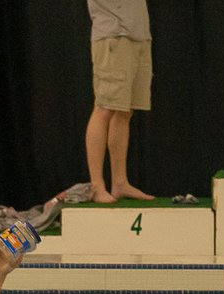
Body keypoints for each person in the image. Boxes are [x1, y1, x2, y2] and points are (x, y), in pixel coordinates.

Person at [85, 0, 153, 203]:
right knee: (104, 108)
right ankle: (97, 186)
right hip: (114, 36)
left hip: (138, 34)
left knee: (124, 111)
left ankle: (120, 183)